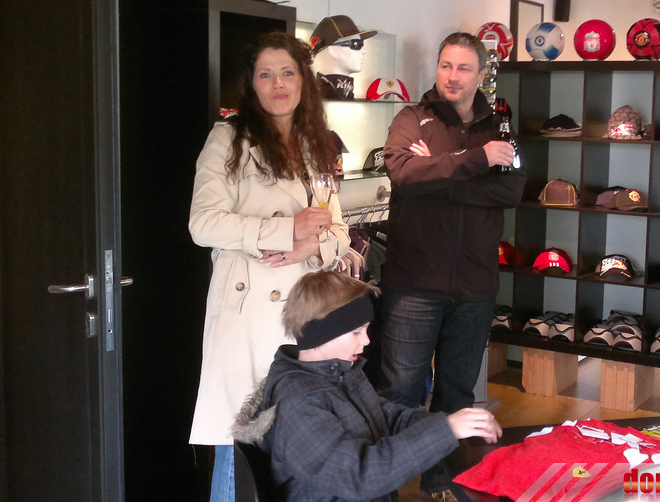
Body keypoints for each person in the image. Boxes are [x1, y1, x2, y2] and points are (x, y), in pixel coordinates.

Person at [187, 31, 350, 502]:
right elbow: (202, 224)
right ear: (252, 85)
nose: (278, 84)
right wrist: (284, 232)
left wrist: (309, 249)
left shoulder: (315, 144)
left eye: (287, 73)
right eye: (265, 74)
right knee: (243, 447)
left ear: (303, 82)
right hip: (248, 316)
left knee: (296, 445)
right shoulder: (228, 139)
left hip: (303, 314)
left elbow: (339, 231)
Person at [379, 31, 525, 495]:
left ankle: (441, 483)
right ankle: (382, 487)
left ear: (481, 75)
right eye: (446, 65)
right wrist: (475, 160)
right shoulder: (411, 118)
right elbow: (403, 173)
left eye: (464, 68)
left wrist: (439, 171)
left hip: (474, 287)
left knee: (458, 394)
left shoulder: (500, 126)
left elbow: (511, 190)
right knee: (400, 392)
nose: (453, 76)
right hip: (413, 284)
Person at [231, 271, 502, 501]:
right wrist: (445, 431)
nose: (366, 341)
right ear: (323, 332)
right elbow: (358, 477)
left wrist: (449, 424)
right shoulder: (298, 403)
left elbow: (385, 417)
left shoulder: (341, 373)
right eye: (356, 332)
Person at [310, 14, 377, 100]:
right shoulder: (311, 99)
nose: (364, 51)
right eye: (356, 44)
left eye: (362, 43)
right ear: (332, 50)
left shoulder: (344, 96)